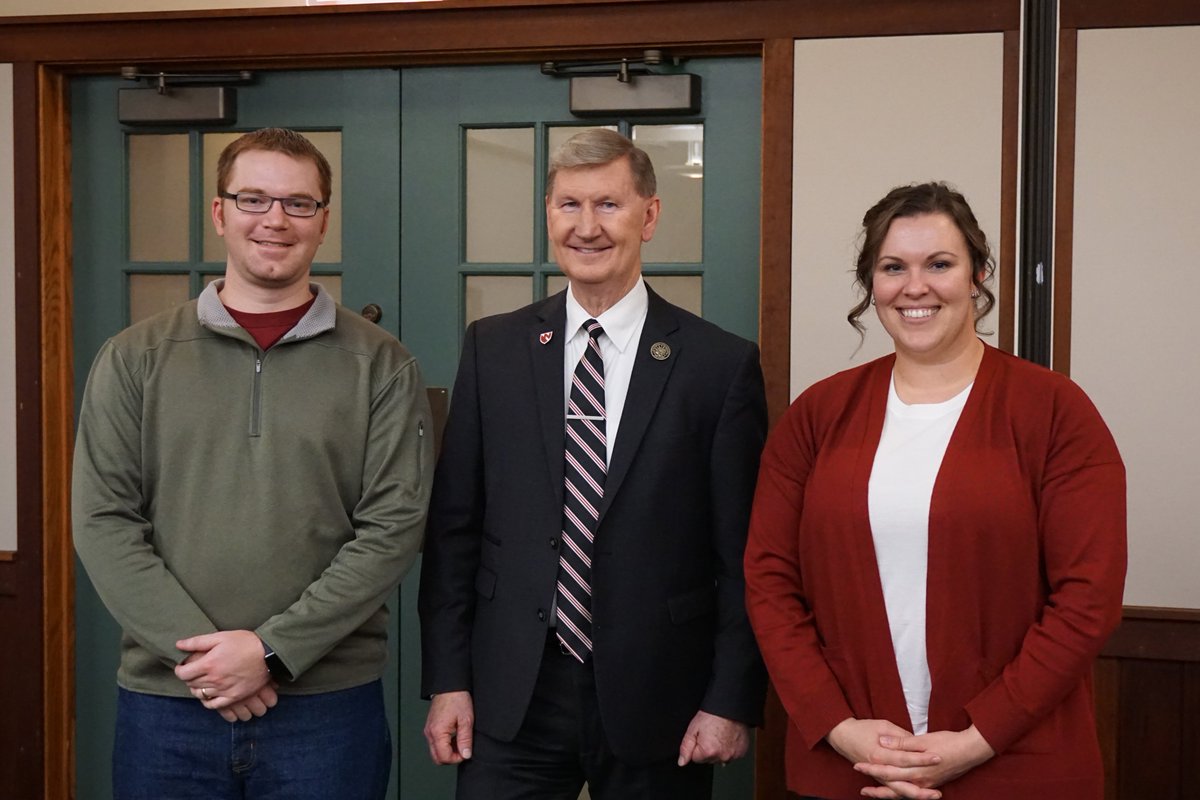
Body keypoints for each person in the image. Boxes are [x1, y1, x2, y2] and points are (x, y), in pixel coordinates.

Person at [72, 127, 433, 799]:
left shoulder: (382, 364)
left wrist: (270, 653)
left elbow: (392, 530)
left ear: (323, 221)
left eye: (299, 203)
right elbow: (102, 522)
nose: (275, 220)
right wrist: (211, 662)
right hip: (169, 705)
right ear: (219, 213)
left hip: (326, 708)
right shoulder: (134, 358)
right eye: (253, 199)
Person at [744, 181, 1126, 800]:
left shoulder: (1055, 412)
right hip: (851, 767)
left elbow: (1088, 599)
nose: (914, 286)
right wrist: (841, 730)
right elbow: (768, 580)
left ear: (976, 275)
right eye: (893, 267)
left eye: (939, 264)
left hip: (1015, 765)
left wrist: (976, 740)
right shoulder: (818, 416)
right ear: (872, 284)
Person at [418, 128, 768, 799]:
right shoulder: (493, 349)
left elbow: (744, 554)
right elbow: (454, 531)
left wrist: (730, 699)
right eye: (568, 206)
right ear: (548, 215)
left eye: (608, 205)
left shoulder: (718, 366)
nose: (586, 227)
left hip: (659, 693)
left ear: (649, 215)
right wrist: (449, 680)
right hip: (511, 691)